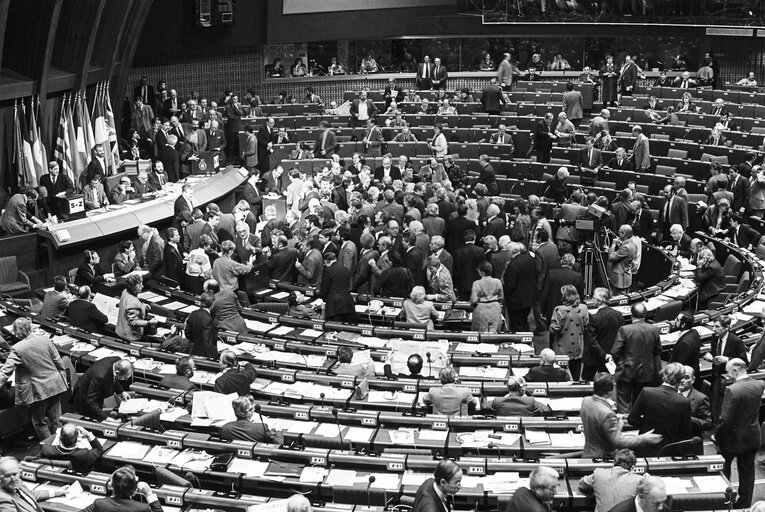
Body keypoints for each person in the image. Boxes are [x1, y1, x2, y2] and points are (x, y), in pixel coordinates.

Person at [0, 318, 67, 441]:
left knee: (39, 422)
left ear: (15, 332)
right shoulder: (45, 340)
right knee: (56, 420)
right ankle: (61, 445)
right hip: (56, 385)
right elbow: (58, 362)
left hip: (39, 390)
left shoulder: (17, 348)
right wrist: (62, 380)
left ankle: (48, 448)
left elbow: (5, 372)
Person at [715, 358, 764, 508]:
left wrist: (717, 437)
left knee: (724, 472)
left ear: (736, 370)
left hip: (732, 439)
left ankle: (725, 502)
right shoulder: (760, 384)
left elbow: (725, 419)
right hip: (752, 436)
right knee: (748, 475)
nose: (727, 376)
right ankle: (744, 505)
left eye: (729, 373)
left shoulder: (733, 390)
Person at [581, 373, 662, 458]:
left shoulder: (586, 401)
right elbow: (616, 442)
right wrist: (644, 438)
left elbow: (597, 424)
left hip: (587, 453)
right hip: (603, 458)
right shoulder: (608, 414)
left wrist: (616, 423)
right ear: (610, 390)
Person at [627, 363, 692, 456]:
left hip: (645, 447)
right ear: (680, 379)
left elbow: (632, 419)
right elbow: (685, 432)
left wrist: (647, 424)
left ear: (664, 375)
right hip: (669, 451)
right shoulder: (683, 401)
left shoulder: (647, 392)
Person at [611, 303, 661, 413]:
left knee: (624, 405)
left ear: (631, 314)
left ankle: (624, 427)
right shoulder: (654, 329)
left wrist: (621, 365)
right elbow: (657, 351)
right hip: (646, 373)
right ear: (645, 314)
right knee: (640, 405)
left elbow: (615, 352)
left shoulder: (624, 329)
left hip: (626, 373)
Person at [578, 449, 643, 512]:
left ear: (614, 462)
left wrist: (598, 489)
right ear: (632, 467)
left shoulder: (599, 473)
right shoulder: (639, 480)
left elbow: (581, 484)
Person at [81, 465, 163, 512]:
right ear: (134, 490)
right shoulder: (142, 508)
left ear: (111, 486)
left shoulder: (99, 504)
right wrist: (149, 494)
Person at [583, 287, 623, 381]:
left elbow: (592, 341)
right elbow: (620, 336)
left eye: (593, 297)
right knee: (607, 384)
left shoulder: (595, 318)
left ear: (600, 300)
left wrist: (604, 355)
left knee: (586, 381)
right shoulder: (618, 315)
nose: (592, 299)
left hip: (594, 358)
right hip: (611, 358)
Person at [549, 284, 588, 380]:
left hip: (562, 347)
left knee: (561, 374)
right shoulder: (583, 308)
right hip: (578, 347)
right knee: (576, 374)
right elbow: (586, 325)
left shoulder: (559, 310)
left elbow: (555, 328)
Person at [0, 456, 68, 511]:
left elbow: (29, 494)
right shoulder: (3, 500)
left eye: (14, 474)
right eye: (7, 476)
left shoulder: (17, 483)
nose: (13, 479)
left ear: (20, 472)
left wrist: (55, 493)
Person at [116, 274, 158, 342]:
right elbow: (133, 322)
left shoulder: (125, 291)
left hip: (121, 329)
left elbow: (134, 299)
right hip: (130, 336)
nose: (142, 286)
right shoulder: (132, 303)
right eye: (139, 285)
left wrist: (142, 305)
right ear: (133, 287)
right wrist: (149, 322)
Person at [483, 376, 550, 416]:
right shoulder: (530, 401)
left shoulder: (498, 401)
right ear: (522, 389)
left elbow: (484, 406)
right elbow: (546, 410)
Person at [315, 252, 354, 322]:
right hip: (348, 304)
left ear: (326, 261)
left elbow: (324, 290)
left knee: (334, 329)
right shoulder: (346, 269)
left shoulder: (327, 270)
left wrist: (323, 299)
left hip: (334, 307)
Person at [469, 260, 503, 333]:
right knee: (494, 331)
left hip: (481, 309)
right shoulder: (497, 281)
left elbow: (473, 300)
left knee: (480, 332)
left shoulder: (477, 283)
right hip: (495, 308)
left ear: (482, 272)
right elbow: (501, 297)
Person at [679, 366, 712, 435]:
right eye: (680, 376)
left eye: (686, 377)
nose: (682, 380)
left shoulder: (701, 399)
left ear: (693, 380)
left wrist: (687, 418)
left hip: (688, 437)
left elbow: (708, 424)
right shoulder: (670, 392)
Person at [185, 292, 217, 359]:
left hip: (195, 351)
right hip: (206, 355)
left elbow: (187, 334)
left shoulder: (193, 314)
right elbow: (207, 341)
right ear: (213, 303)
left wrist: (197, 342)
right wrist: (213, 358)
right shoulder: (208, 319)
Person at [607, 225, 637, 293]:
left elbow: (611, 258)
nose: (618, 233)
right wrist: (620, 245)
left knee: (618, 300)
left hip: (620, 279)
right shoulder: (632, 244)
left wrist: (613, 245)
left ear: (624, 234)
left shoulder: (625, 248)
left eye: (620, 232)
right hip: (625, 277)